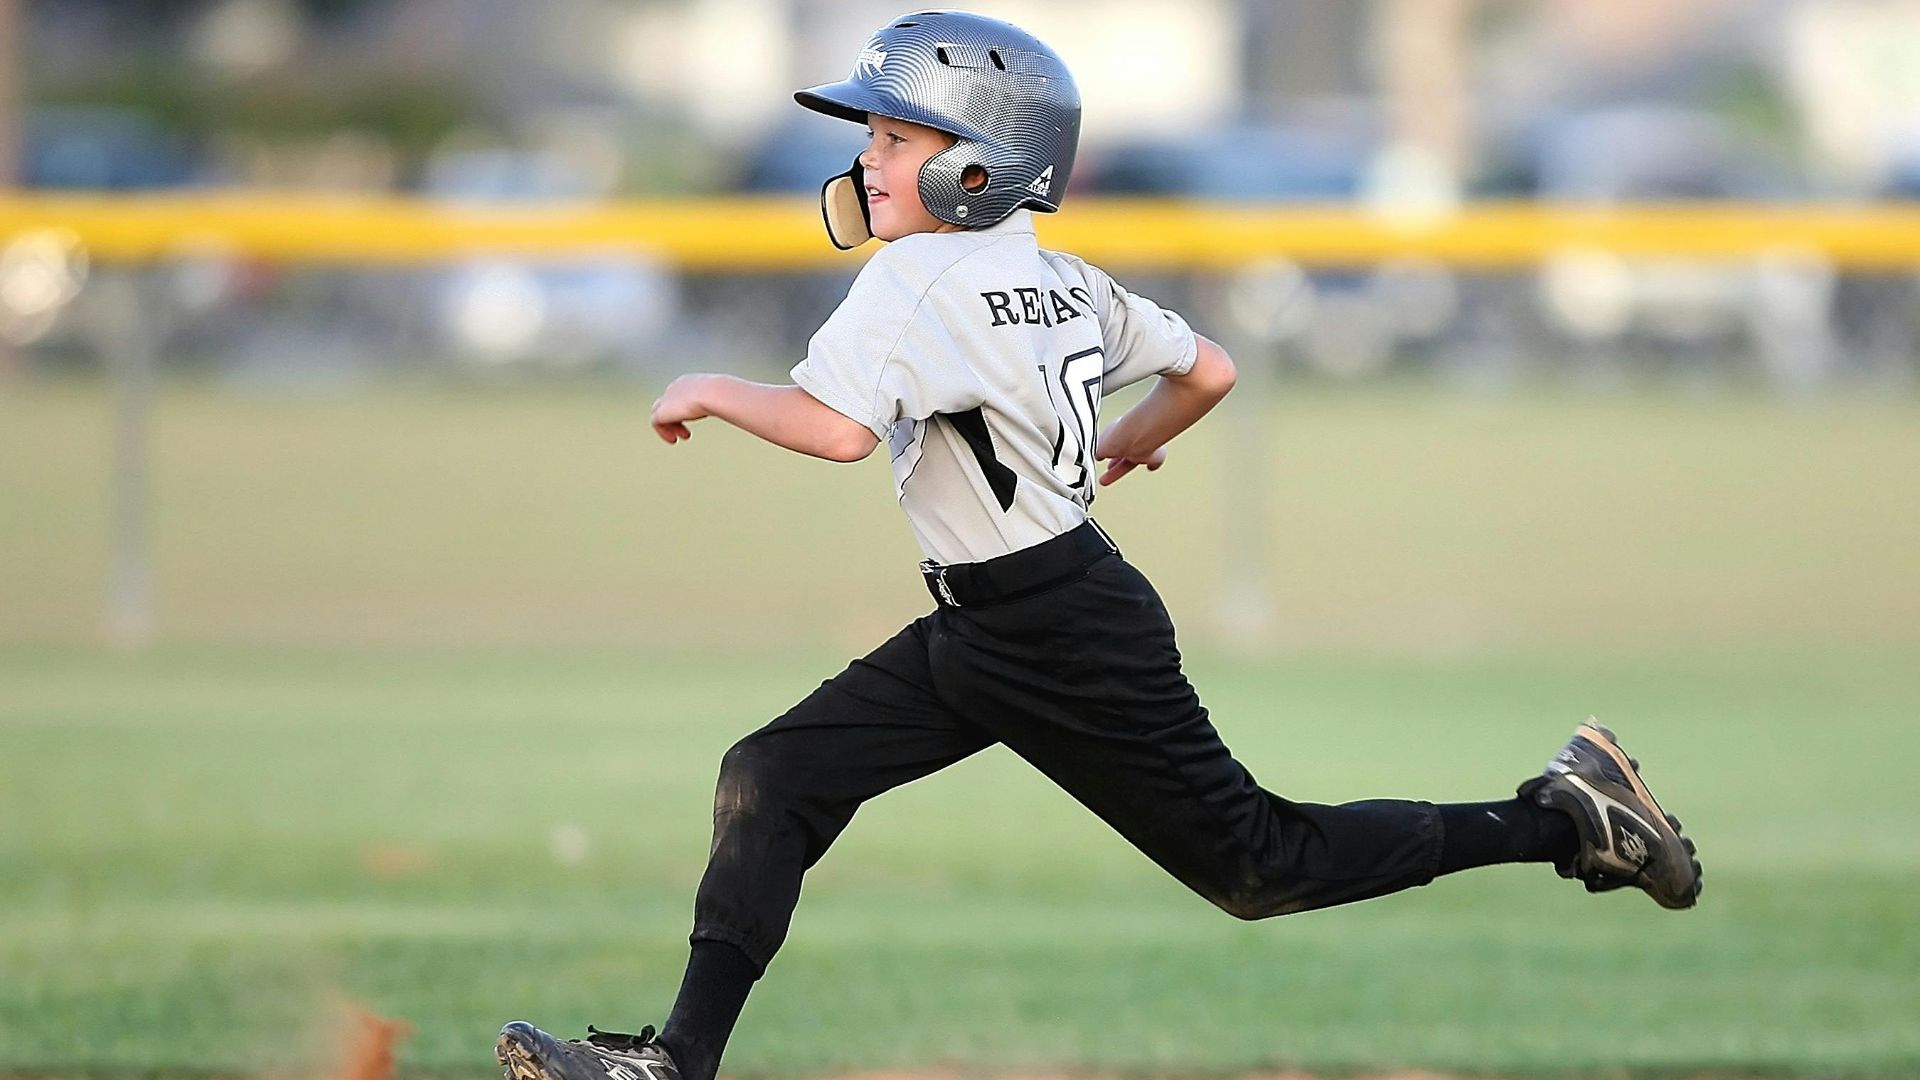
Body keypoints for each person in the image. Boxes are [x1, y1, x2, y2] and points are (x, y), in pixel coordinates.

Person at [496, 12, 1702, 1080]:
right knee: (775, 775)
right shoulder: (1059, 273)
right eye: (872, 132)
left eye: (898, 138)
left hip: (1060, 633)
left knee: (1260, 864)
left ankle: (1567, 816)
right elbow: (1209, 369)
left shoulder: (913, 279)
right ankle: (674, 1062)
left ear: (980, 164)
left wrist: (709, 384)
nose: (869, 152)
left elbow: (835, 434)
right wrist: (1120, 444)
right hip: (1010, 616)